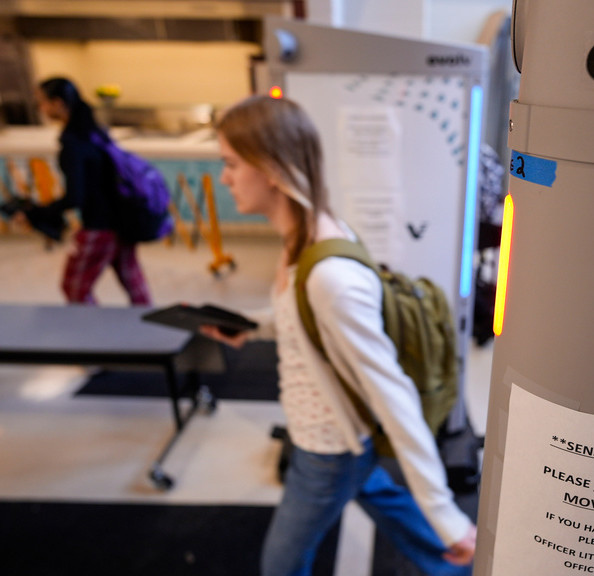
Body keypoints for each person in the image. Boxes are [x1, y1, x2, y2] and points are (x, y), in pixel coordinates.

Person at [201, 95, 476, 576]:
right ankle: (458, 566)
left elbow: (393, 395)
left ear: (270, 167)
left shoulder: (330, 276)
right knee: (384, 499)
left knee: (280, 565)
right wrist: (253, 327)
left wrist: (446, 512)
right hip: (341, 438)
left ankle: (454, 550)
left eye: (230, 164)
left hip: (327, 448)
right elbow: (302, 320)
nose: (224, 179)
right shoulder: (305, 238)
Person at [31, 77, 152, 305]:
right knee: (134, 285)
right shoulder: (96, 133)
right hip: (124, 221)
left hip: (99, 227)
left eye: (42, 102)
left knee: (74, 287)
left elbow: (76, 196)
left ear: (57, 103)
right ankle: (150, 332)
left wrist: (40, 211)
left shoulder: (73, 143)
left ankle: (93, 336)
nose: (41, 108)